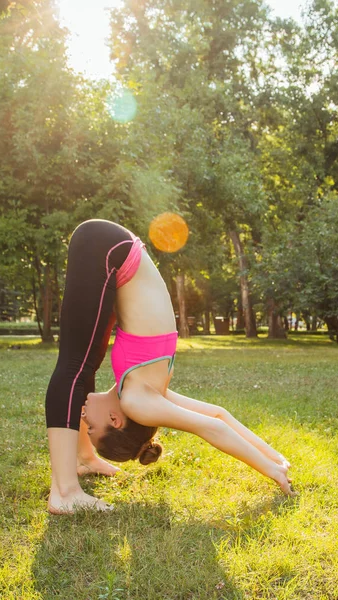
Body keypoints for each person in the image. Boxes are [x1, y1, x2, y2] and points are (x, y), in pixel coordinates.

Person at [46, 219, 295, 515]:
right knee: (76, 367)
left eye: (85, 427)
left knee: (82, 367)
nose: (83, 418)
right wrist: (272, 465)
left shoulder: (146, 392)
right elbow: (213, 422)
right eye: (92, 427)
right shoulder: (138, 400)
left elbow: (218, 414)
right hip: (106, 248)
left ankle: (82, 461)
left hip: (113, 249)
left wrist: (275, 455)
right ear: (115, 419)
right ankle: (65, 491)